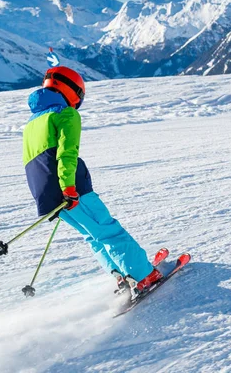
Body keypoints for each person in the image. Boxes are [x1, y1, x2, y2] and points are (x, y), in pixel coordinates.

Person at [22, 66, 162, 294]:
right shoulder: (65, 114)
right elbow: (65, 154)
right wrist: (68, 188)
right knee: (107, 229)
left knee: (92, 234)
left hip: (46, 195)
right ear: (72, 90)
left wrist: (51, 196)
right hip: (71, 189)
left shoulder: (32, 123)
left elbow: (34, 164)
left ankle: (121, 275)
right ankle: (143, 275)